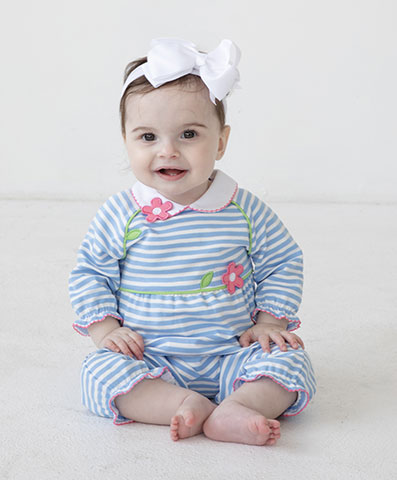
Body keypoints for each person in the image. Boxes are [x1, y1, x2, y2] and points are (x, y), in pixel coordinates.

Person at [69, 38, 316, 446]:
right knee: (97, 374)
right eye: (147, 137)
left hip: (234, 351)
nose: (168, 151)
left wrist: (270, 324)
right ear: (126, 141)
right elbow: (91, 271)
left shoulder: (242, 208)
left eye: (188, 134)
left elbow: (282, 259)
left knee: (292, 364)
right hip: (148, 356)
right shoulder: (123, 212)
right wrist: (106, 329)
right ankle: (180, 403)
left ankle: (240, 406)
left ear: (220, 142)